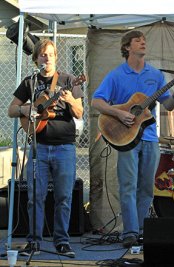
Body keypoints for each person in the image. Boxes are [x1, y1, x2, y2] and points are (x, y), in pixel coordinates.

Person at [91, 30, 174, 248]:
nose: (143, 43)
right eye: (137, 40)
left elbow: (169, 105)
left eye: (144, 40)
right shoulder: (116, 75)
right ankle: (130, 232)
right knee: (128, 185)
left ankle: (141, 229)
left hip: (150, 137)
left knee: (146, 187)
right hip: (126, 138)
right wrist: (119, 113)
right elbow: (97, 101)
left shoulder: (155, 74)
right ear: (127, 47)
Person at [8, 39, 84, 257]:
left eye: (50, 54)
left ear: (56, 57)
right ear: (36, 59)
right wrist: (27, 108)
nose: (47, 58)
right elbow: (11, 110)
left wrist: (70, 100)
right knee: (35, 197)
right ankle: (34, 242)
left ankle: (62, 241)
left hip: (64, 148)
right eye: (43, 55)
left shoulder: (69, 80)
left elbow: (80, 113)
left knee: (64, 197)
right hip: (38, 147)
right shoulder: (30, 82)